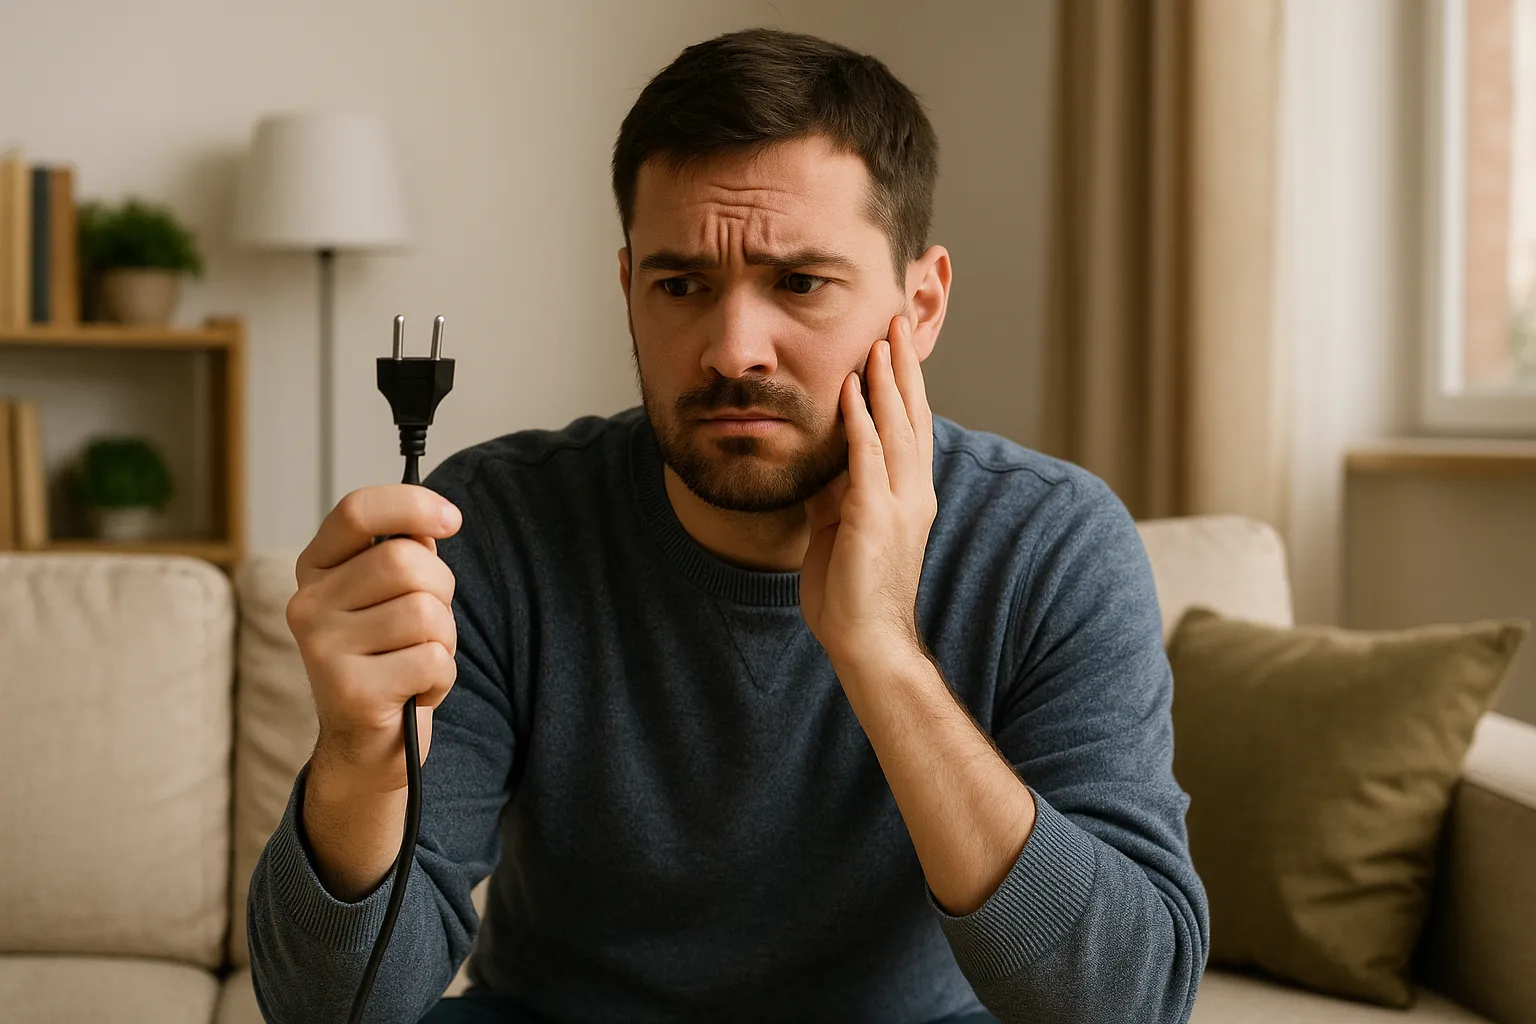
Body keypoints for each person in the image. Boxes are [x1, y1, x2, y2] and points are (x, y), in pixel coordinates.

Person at [246, 26, 1210, 1024]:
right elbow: (334, 1013)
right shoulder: (493, 526)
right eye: (682, 286)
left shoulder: (1050, 543)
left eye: (799, 283)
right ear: (630, 291)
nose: (734, 349)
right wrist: (359, 752)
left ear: (919, 306)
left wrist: (880, 649)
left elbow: (1125, 1003)